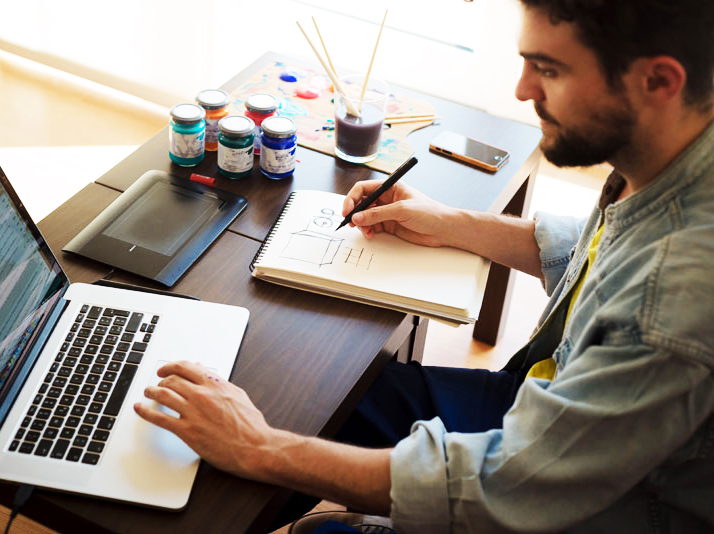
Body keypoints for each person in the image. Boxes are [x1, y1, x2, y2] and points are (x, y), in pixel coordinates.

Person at [134, 0, 714, 531]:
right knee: (318, 391)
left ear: (658, 80)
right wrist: (452, 224)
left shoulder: (674, 298)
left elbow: (510, 484)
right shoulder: (672, 152)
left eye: (550, 69)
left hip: (596, 506)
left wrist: (260, 448)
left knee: (262, 469)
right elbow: (603, 254)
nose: (520, 89)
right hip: (547, 398)